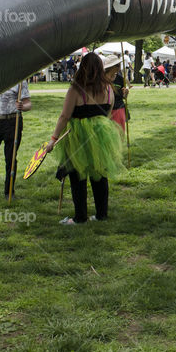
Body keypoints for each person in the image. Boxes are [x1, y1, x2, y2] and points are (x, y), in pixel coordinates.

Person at [45, 52, 124, 224]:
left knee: (77, 175)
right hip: (102, 135)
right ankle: (101, 214)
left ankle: (80, 217)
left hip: (77, 137)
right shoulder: (109, 88)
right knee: (99, 174)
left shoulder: (76, 89)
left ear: (83, 68)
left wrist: (53, 139)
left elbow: (64, 116)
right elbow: (108, 114)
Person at [105, 55, 129, 130]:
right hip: (106, 110)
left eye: (119, 64)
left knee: (119, 134)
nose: (119, 66)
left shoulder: (120, 79)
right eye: (117, 65)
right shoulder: (102, 78)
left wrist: (126, 93)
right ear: (111, 67)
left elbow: (124, 97)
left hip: (119, 109)